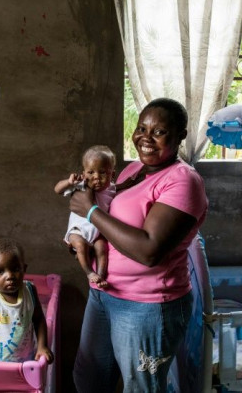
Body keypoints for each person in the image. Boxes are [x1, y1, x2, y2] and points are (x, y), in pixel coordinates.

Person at [69, 98, 208, 392]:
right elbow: (114, 224)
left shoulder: (183, 182)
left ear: (180, 135)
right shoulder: (132, 170)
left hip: (148, 306)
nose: (145, 138)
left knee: (141, 387)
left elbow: (149, 251)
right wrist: (82, 237)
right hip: (105, 294)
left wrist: (90, 212)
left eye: (158, 132)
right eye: (141, 128)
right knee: (89, 378)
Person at [0, 237, 54, 370]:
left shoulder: (30, 290)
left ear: (24, 269)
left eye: (15, 269)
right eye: (0, 272)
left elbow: (39, 319)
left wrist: (42, 346)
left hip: (25, 361)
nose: (10, 276)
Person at [54, 145, 116, 288]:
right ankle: (89, 272)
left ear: (112, 174)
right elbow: (57, 189)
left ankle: (100, 276)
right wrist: (69, 182)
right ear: (84, 173)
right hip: (77, 232)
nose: (96, 177)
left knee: (102, 248)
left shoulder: (112, 189)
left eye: (102, 172)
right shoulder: (81, 185)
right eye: (91, 172)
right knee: (81, 245)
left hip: (97, 233)